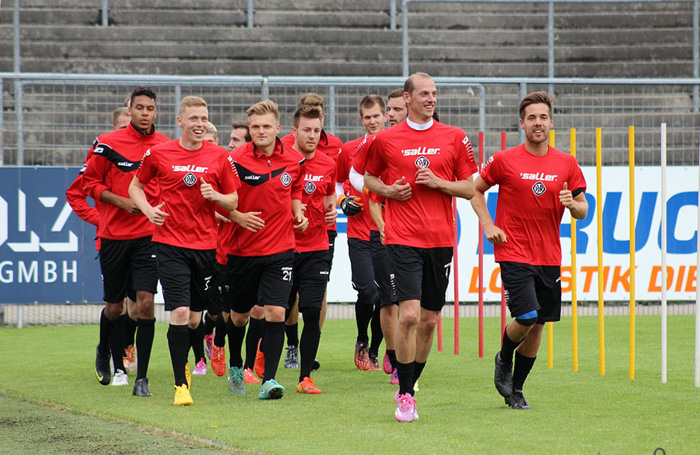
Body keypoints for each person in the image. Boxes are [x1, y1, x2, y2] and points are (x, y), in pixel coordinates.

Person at [364, 72, 478, 422]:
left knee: (429, 321)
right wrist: (388, 192)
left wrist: (440, 183)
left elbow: (469, 188)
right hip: (402, 239)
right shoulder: (385, 139)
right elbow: (367, 179)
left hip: (441, 240)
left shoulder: (454, 137)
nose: (431, 98)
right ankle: (404, 394)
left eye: (434, 93)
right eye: (424, 93)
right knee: (409, 315)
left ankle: (412, 382)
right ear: (407, 97)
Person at [470, 91, 588, 410]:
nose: (538, 122)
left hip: (549, 256)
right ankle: (504, 356)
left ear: (552, 122)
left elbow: (583, 208)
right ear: (522, 124)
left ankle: (517, 390)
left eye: (543, 117)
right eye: (532, 117)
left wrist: (573, 205)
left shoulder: (567, 163)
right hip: (513, 252)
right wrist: (487, 224)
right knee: (526, 315)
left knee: (538, 327)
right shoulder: (504, 160)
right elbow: (475, 191)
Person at [129, 95, 240, 406]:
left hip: (206, 247)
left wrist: (215, 194)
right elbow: (134, 187)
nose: (200, 124)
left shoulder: (219, 156)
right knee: (178, 313)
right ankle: (180, 386)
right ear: (180, 121)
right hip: (169, 244)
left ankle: (186, 365)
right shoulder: (159, 153)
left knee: (194, 319)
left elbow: (233, 202)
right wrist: (149, 211)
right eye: (193, 119)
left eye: (203, 118)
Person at [83, 88, 170, 397]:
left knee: (146, 304)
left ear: (156, 113)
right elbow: (90, 184)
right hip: (113, 235)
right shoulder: (107, 143)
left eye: (150, 108)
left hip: (149, 236)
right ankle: (104, 348)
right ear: (130, 110)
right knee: (114, 307)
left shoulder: (164, 146)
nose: (145, 113)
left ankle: (140, 378)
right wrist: (121, 201)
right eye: (140, 108)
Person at [224, 99, 307, 400]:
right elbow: (219, 201)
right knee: (240, 316)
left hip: (281, 248)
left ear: (278, 128)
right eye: (255, 127)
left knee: (275, 311)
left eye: (266, 126)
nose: (261, 131)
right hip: (242, 251)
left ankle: (267, 381)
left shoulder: (294, 160)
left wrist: (298, 213)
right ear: (249, 129)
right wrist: (237, 216)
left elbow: (295, 188)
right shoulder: (235, 160)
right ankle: (235, 364)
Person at [281, 93, 342, 371]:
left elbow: (330, 198)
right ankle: (289, 345)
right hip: (284, 243)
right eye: (307, 130)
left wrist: (332, 212)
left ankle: (306, 368)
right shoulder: (281, 157)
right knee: (282, 303)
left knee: (313, 305)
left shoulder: (329, 162)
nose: (313, 135)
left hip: (318, 242)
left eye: (317, 130)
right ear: (294, 131)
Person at [337, 94, 388, 371]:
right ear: (361, 119)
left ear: (385, 117)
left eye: (376, 116)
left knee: (386, 296)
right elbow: (336, 186)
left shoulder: (393, 147)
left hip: (386, 233)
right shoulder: (349, 149)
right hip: (358, 233)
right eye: (366, 117)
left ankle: (377, 350)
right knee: (368, 292)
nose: (371, 121)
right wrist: (343, 203)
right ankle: (361, 338)